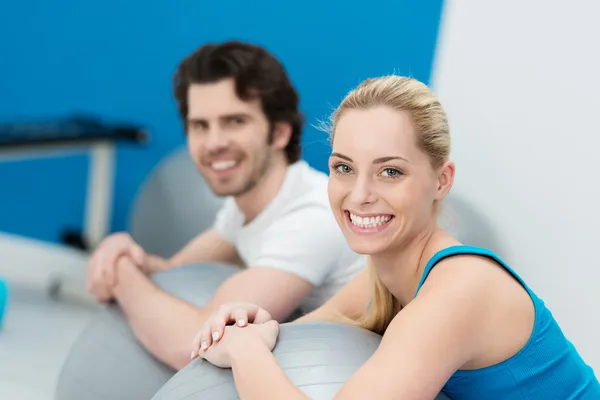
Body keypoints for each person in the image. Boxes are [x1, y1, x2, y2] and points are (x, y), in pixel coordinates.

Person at [191, 75, 600, 399]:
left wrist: (245, 352)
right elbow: (301, 338)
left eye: (391, 171)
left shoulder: (459, 291)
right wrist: (254, 324)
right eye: (344, 168)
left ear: (442, 181)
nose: (360, 195)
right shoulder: (381, 280)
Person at [85, 41, 365, 371]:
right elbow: (173, 272)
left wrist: (119, 274)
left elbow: (193, 341)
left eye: (235, 121)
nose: (214, 142)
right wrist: (122, 252)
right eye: (200, 125)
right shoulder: (246, 208)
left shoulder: (311, 218)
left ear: (279, 133)